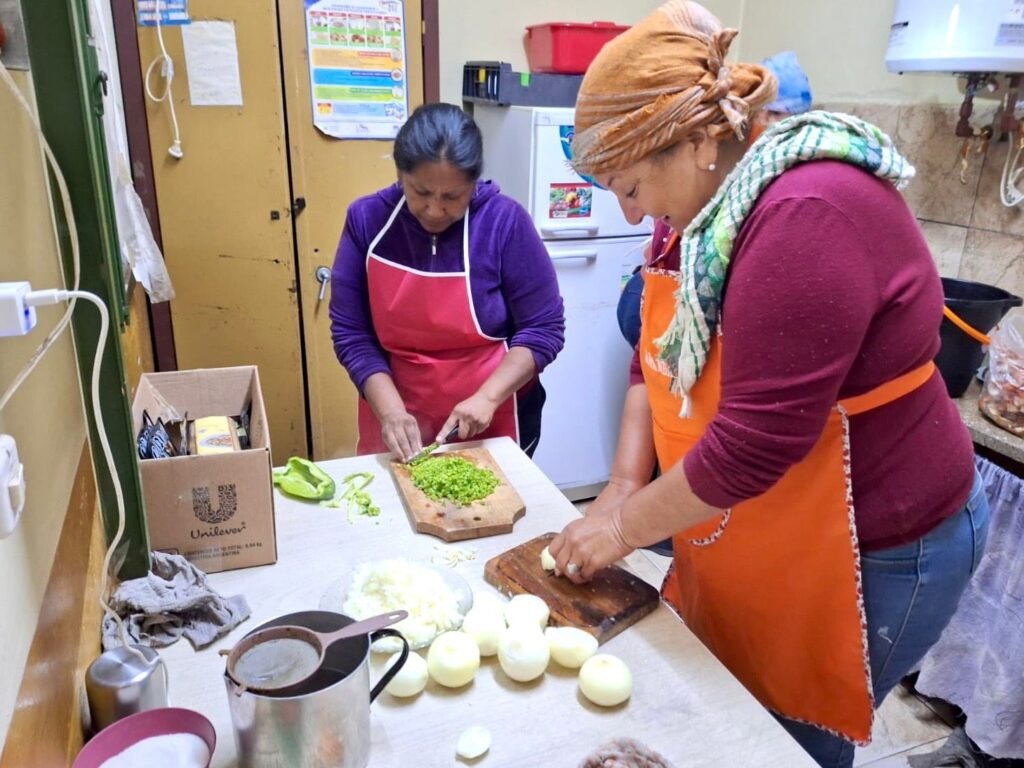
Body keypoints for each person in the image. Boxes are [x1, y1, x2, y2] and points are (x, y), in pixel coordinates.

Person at [549, 4, 989, 767]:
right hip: (769, 521)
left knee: (790, 740)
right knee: (734, 716)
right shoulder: (705, 210)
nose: (631, 212)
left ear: (693, 142)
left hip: (879, 543)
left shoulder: (804, 215)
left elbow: (752, 450)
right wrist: (622, 483)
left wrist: (618, 528)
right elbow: (650, 355)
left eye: (629, 186)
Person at [330, 103, 565, 460]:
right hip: (398, 415)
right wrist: (391, 412)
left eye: (453, 197)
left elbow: (543, 328)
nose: (435, 210)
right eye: (421, 193)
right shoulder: (367, 220)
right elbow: (351, 332)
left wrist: (488, 397)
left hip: (495, 414)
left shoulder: (504, 223)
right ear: (399, 174)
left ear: (473, 184)